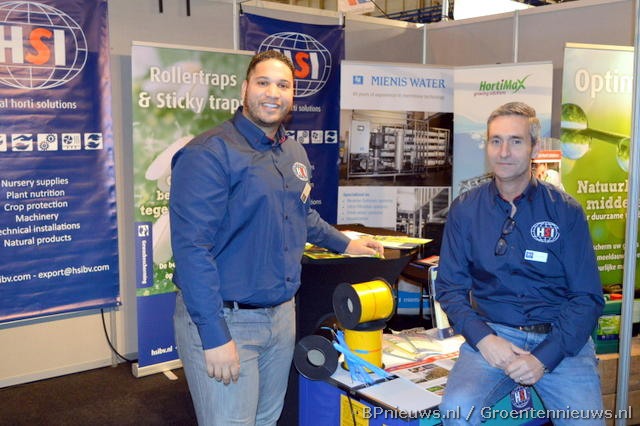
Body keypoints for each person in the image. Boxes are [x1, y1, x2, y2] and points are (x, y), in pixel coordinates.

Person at [169, 50, 384, 426]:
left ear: (292, 96)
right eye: (263, 82)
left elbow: (301, 214)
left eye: (283, 85)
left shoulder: (292, 151)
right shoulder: (208, 154)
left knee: (268, 419)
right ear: (244, 89)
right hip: (227, 319)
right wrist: (213, 334)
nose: (273, 92)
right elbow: (191, 250)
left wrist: (346, 243)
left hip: (282, 317)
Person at [435, 102, 605, 425]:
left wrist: (543, 358)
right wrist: (484, 339)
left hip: (560, 338)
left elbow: (587, 298)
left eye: (515, 141)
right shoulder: (465, 210)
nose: (504, 152)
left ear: (534, 148)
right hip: (493, 335)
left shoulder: (566, 212)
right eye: (495, 141)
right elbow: (450, 288)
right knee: (456, 411)